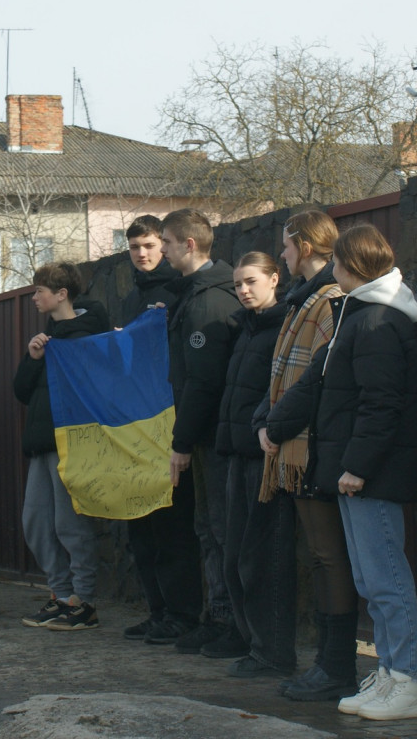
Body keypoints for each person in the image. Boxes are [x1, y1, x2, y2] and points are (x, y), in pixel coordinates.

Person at [270, 224, 417, 721]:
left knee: (385, 577)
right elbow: (323, 383)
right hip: (358, 471)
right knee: (369, 577)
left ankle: (407, 679)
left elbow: (381, 404)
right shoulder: (359, 315)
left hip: (371, 473)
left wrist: (357, 467)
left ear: (346, 264)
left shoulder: (379, 321)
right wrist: (275, 425)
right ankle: (389, 674)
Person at [254, 211, 360, 703]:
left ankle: (336, 666)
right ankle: (329, 664)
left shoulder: (329, 299)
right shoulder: (306, 298)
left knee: (328, 555)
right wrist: (266, 420)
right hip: (295, 440)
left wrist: (279, 424)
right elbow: (280, 376)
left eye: (287, 245)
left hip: (314, 445)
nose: (282, 254)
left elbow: (318, 379)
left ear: (306, 245)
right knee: (321, 557)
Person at [153, 208, 241, 654]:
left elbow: (203, 381)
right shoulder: (195, 294)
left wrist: (181, 441)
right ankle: (218, 616)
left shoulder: (209, 299)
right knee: (207, 527)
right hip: (207, 434)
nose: (161, 249)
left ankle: (231, 622)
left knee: (221, 529)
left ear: (189, 244)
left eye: (165, 241)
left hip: (214, 436)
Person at [13, 262, 110, 631]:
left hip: (72, 441)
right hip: (42, 441)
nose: (34, 297)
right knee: (36, 521)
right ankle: (61, 595)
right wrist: (32, 358)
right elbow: (22, 391)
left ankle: (83, 601)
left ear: (61, 294)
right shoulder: (49, 337)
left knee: (70, 524)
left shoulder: (85, 336)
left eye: (40, 291)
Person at [119, 215, 202, 644]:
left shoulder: (178, 292)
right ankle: (159, 611)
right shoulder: (131, 297)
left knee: (173, 529)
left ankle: (183, 614)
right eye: (135, 247)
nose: (144, 254)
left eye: (151, 245)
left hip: (169, 425)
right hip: (137, 428)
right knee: (143, 530)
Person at [215, 251, 292, 676]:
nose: (243, 290)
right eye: (238, 284)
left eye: (251, 282)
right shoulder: (245, 328)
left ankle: (274, 651)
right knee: (235, 558)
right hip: (236, 454)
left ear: (274, 278)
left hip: (265, 456)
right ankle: (252, 643)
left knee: (263, 560)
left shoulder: (282, 327)